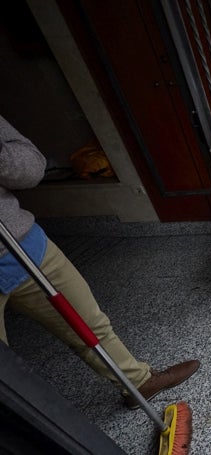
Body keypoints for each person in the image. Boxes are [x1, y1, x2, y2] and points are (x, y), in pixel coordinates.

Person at [0, 113, 199, 408]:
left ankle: (137, 382)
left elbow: (32, 167)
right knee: (6, 376)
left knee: (89, 324)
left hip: (25, 245)